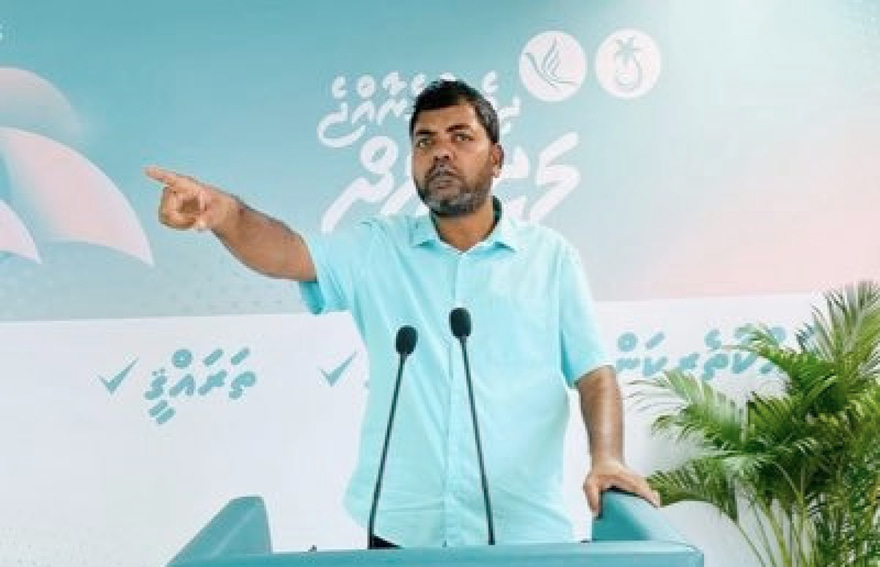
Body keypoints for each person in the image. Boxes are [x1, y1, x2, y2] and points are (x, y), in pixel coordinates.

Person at [146, 79, 660, 548]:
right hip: (402, 532)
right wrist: (227, 214)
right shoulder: (378, 248)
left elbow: (595, 375)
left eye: (460, 137)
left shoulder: (550, 259)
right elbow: (287, 252)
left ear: (497, 158)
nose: (440, 152)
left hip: (521, 532)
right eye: (424, 141)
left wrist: (607, 457)